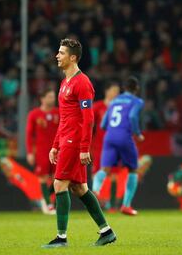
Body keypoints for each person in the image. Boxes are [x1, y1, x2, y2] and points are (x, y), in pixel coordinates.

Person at [43, 38, 116, 248]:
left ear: (73, 57)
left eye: (61, 53)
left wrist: (84, 148)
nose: (57, 56)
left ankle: (61, 237)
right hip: (65, 138)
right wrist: (55, 144)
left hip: (75, 141)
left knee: (59, 184)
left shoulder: (82, 83)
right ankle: (106, 231)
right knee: (79, 188)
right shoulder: (65, 82)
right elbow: (64, 117)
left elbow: (88, 118)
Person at [92, 76, 145, 216]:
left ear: (124, 88)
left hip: (109, 137)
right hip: (124, 136)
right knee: (133, 170)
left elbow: (103, 123)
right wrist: (137, 133)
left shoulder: (114, 101)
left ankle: (95, 190)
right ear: (136, 88)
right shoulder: (137, 101)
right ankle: (126, 205)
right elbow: (133, 117)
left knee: (105, 169)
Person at [26, 88, 59, 214]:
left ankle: (52, 202)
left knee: (58, 178)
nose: (52, 99)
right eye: (50, 97)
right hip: (41, 151)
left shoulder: (59, 112)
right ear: (42, 99)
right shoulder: (34, 114)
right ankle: (48, 204)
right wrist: (30, 152)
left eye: (53, 96)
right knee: (43, 177)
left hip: (57, 150)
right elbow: (29, 135)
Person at [92, 81, 121, 211]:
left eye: (118, 91)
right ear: (107, 91)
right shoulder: (97, 107)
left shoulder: (120, 108)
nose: (116, 94)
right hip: (100, 147)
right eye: (114, 90)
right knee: (98, 174)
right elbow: (88, 125)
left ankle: (112, 205)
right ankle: (97, 203)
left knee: (114, 175)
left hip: (115, 147)